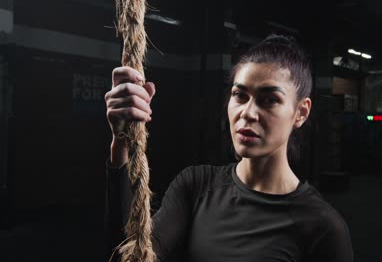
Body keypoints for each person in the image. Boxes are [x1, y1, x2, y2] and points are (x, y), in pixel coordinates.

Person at [105, 34, 353, 262]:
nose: (248, 113)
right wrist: (122, 143)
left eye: (270, 100)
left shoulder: (323, 228)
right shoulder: (196, 186)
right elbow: (130, 255)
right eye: (240, 95)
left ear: (301, 112)